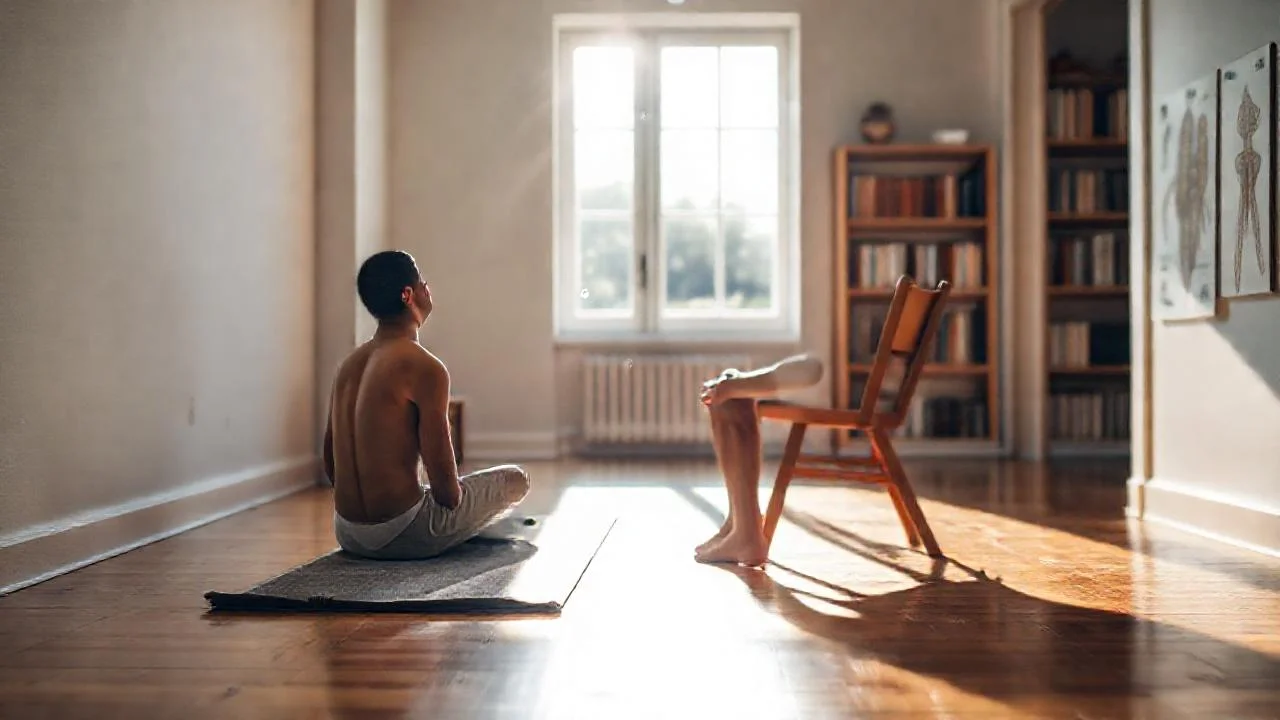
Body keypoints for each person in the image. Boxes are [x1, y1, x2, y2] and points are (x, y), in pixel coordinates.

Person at [323, 250, 530, 560]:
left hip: (347, 532)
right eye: (421, 281)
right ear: (408, 295)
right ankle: (476, 530)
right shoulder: (425, 366)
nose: (426, 287)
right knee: (516, 479)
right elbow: (447, 493)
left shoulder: (348, 366)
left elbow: (331, 466)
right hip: (402, 534)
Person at [695, 354, 824, 567]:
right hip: (863, 393)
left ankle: (746, 534)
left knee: (731, 395)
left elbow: (815, 369)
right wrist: (734, 383)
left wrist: (733, 386)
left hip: (864, 400)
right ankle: (737, 524)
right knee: (730, 389)